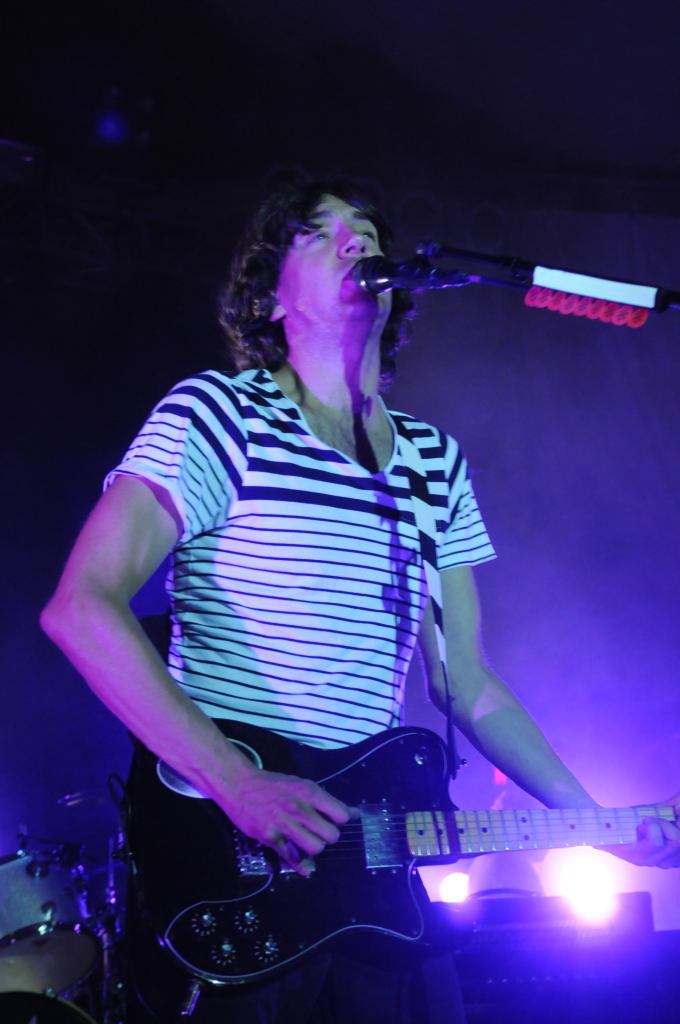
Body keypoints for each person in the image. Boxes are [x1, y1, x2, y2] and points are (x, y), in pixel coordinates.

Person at [41, 178, 680, 1022]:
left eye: (367, 228)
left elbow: (467, 683)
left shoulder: (434, 461)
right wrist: (238, 782)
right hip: (234, 856)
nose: (355, 240)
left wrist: (593, 821)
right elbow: (81, 608)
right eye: (317, 231)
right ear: (270, 297)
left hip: (374, 880)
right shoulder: (218, 415)